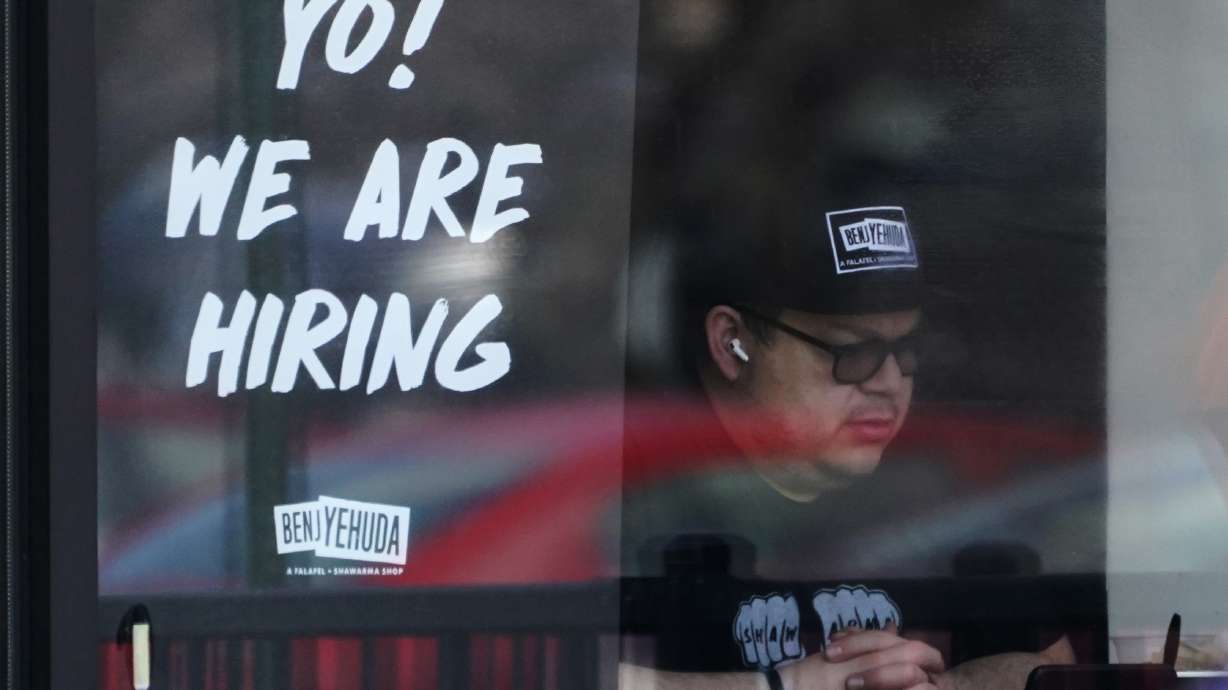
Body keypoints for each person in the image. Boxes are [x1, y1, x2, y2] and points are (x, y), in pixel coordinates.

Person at [618, 202, 1077, 690]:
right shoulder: (634, 502)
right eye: (852, 352)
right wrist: (780, 688)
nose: (889, 380)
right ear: (734, 343)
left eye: (908, 350)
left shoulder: (946, 502)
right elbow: (549, 673)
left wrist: (944, 687)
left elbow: (1053, 669)